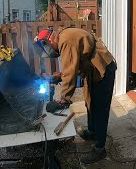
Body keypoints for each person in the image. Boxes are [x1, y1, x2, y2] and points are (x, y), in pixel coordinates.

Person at [34, 27, 117, 164]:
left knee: (100, 108)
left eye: (48, 48)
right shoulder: (64, 37)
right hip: (93, 69)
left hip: (103, 67)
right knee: (90, 101)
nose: (50, 52)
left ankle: (100, 148)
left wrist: (63, 99)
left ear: (50, 40)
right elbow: (73, 65)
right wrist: (60, 77)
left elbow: (70, 71)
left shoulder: (65, 40)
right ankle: (92, 132)